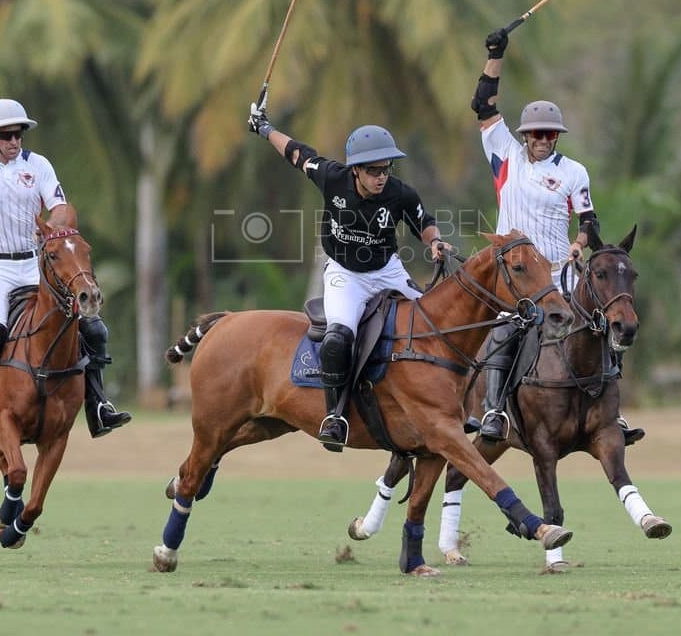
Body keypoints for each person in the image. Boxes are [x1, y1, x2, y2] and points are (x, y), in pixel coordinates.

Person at [0, 77, 132, 439]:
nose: (14, 141)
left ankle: (98, 405)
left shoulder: (38, 165)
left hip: (35, 264)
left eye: (19, 134)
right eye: (6, 136)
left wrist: (55, 228)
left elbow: (62, 207)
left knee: (93, 328)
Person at [472, 27, 644, 446]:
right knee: (504, 331)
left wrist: (581, 244)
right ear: (525, 134)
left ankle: (611, 413)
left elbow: (588, 219)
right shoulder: (504, 155)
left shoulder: (573, 171)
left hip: (558, 271)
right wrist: (496, 53)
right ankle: (493, 410)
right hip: (513, 273)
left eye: (551, 133)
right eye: (537, 133)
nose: (544, 140)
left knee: (598, 325)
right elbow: (482, 104)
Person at [247, 103, 450, 452]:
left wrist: (435, 242)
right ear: (356, 170)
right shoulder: (332, 177)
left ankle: (453, 405)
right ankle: (335, 415)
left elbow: (424, 222)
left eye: (385, 168)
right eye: (373, 170)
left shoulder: (400, 193)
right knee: (338, 336)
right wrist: (264, 129)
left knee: (434, 327)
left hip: (387, 271)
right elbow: (297, 153)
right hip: (345, 274)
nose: (381, 176)